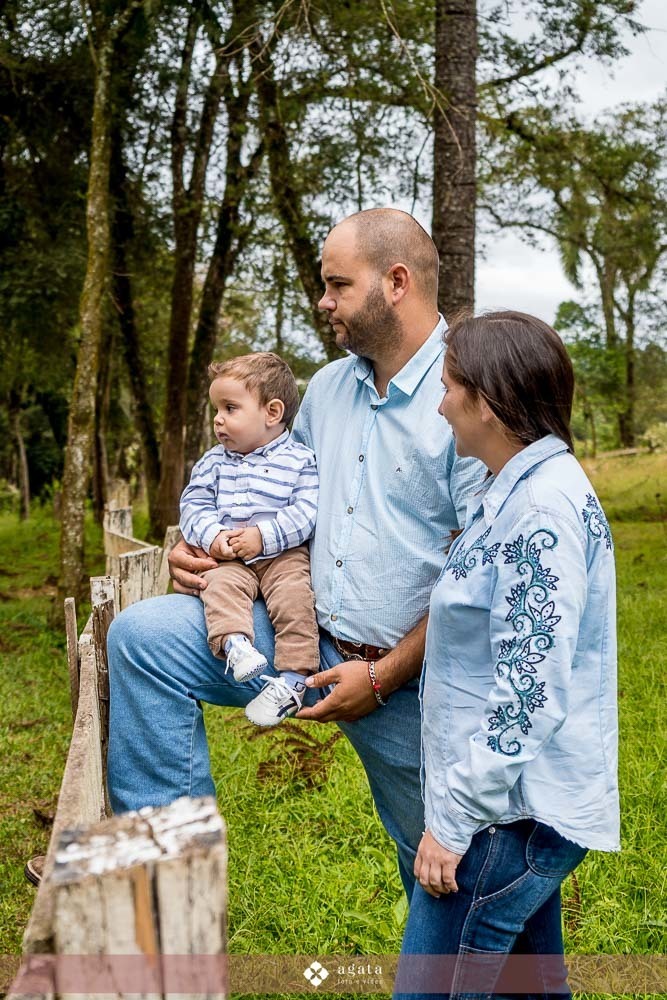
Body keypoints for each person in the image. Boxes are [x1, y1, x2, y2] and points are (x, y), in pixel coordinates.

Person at [106, 207, 483, 893]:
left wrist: (384, 676)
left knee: (445, 872)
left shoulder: (468, 392)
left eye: (337, 284)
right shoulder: (328, 389)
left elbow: (482, 574)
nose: (323, 300)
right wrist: (204, 548)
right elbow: (278, 498)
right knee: (141, 638)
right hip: (299, 634)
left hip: (410, 679)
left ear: (394, 282)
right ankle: (166, 876)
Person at [394, 311, 619, 1000]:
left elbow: (528, 690)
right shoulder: (514, 491)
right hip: (508, 808)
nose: (439, 405)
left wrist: (454, 821)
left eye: (447, 388)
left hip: (506, 818)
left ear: (485, 403)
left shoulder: (540, 513)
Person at [179, 352, 319, 727]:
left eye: (230, 408)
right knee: (218, 586)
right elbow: (193, 504)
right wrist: (214, 537)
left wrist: (264, 536)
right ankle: (235, 647)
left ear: (272, 412)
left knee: (295, 602)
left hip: (282, 555)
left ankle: (293, 681)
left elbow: (307, 511)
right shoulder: (213, 461)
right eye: (216, 409)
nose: (218, 419)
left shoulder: (299, 460)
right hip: (231, 559)